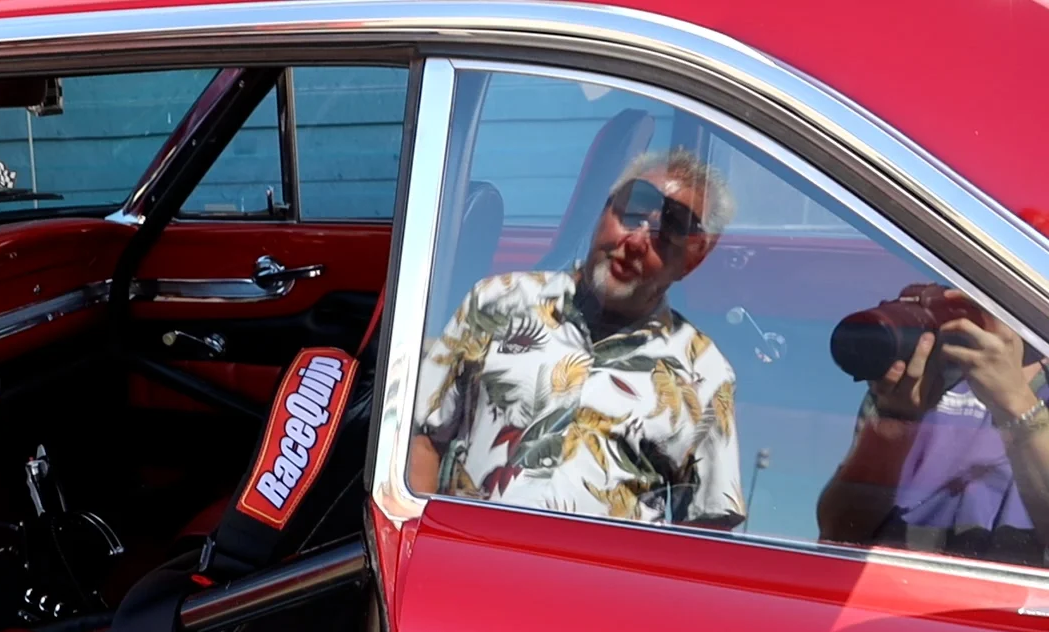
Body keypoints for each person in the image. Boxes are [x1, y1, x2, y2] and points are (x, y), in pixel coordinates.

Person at [411, 148, 744, 527]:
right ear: (603, 212)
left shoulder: (704, 371)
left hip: (598, 584)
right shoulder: (498, 301)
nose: (636, 241)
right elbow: (420, 436)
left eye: (667, 231)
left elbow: (710, 524)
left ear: (693, 259)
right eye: (632, 212)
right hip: (469, 563)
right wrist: (427, 542)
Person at [817, 288, 1049, 565]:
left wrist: (1015, 402)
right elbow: (839, 532)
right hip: (891, 590)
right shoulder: (918, 381)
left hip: (1007, 599)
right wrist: (895, 419)